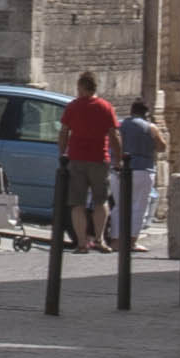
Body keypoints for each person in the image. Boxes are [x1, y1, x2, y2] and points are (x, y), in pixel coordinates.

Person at [59, 69, 119, 249]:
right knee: (101, 201)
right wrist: (119, 157)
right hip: (99, 158)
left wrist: (62, 154)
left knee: (77, 203)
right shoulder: (106, 107)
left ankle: (82, 242)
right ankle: (100, 239)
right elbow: (114, 134)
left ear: (81, 87)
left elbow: (63, 132)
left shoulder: (73, 107)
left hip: (76, 158)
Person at [115, 91, 163, 245]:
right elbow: (162, 146)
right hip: (143, 169)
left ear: (131, 110)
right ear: (146, 113)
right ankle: (132, 240)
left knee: (119, 205)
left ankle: (115, 240)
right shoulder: (150, 127)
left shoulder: (120, 125)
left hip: (120, 169)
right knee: (139, 206)